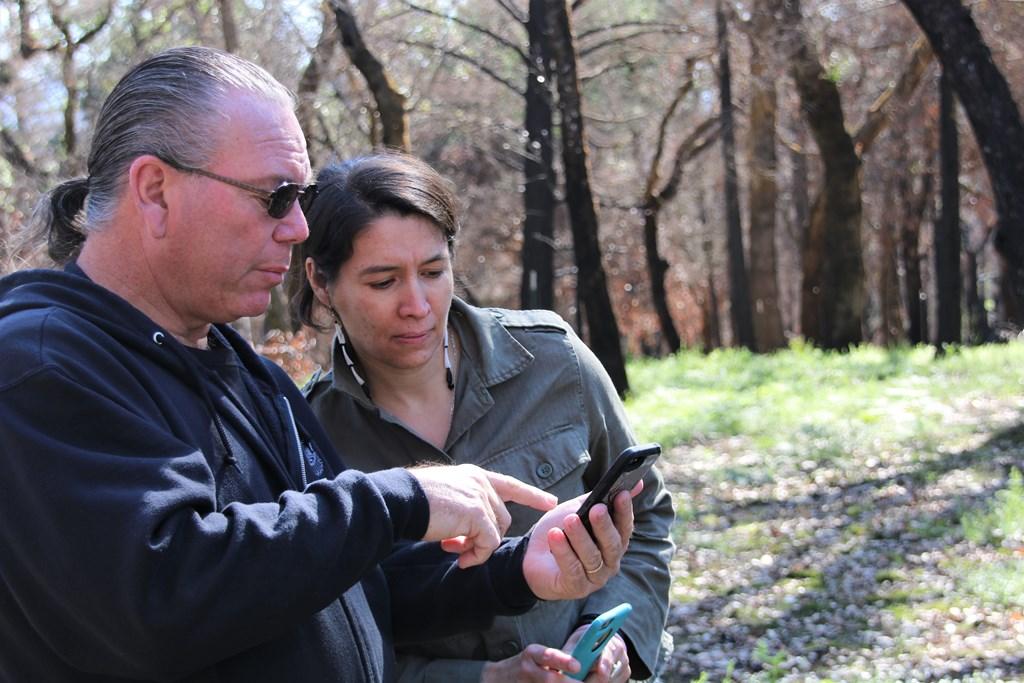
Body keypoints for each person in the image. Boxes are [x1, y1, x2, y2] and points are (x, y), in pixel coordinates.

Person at [0, 47, 637, 683]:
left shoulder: (242, 371)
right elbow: (160, 594)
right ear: (155, 190)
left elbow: (341, 581)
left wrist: (519, 570)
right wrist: (400, 499)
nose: (299, 226)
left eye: (300, 198)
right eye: (276, 197)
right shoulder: (43, 365)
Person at [295, 152, 675, 682]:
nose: (418, 305)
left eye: (433, 272)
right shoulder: (307, 438)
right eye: (383, 282)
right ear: (320, 282)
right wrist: (480, 679)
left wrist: (616, 644)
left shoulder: (554, 362)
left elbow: (648, 516)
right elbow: (335, 636)